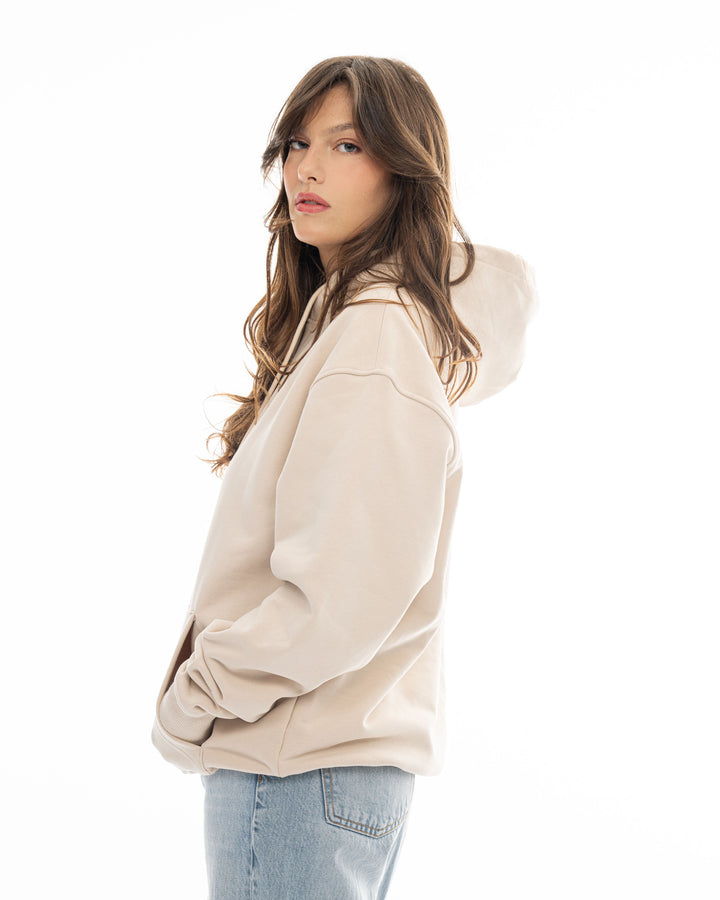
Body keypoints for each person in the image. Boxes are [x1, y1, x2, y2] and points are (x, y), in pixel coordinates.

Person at [151, 55, 538, 899]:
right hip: (327, 762)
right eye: (296, 144)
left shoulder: (372, 338)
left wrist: (198, 693)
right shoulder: (351, 326)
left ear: (405, 172)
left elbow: (343, 593)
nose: (308, 168)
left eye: (347, 144)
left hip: (294, 764)